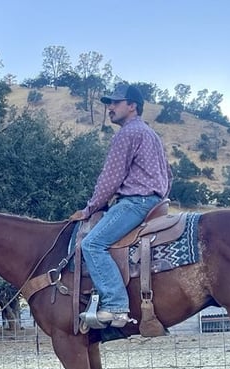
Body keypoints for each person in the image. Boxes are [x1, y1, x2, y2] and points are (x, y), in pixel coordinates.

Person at [70, 84, 172, 328]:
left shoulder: (127, 133)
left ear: (132, 105)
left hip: (136, 201)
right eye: (109, 103)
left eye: (115, 103)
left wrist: (90, 208)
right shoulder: (150, 134)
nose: (110, 107)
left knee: (92, 244)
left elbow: (110, 178)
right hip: (155, 201)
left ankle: (115, 306)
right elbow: (168, 173)